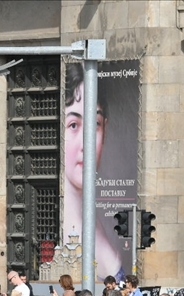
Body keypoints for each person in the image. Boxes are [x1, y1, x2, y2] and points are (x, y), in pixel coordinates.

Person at [62, 62, 123, 280]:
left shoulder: (106, 236)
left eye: (94, 124)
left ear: (104, 128)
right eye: (73, 125)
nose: (86, 144)